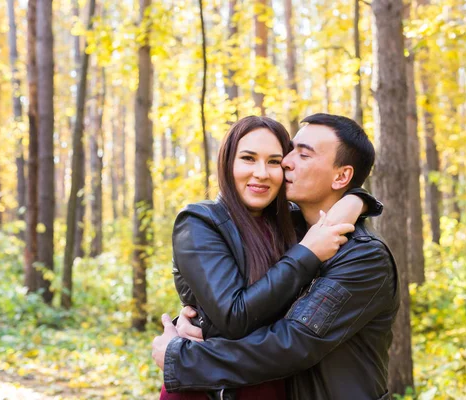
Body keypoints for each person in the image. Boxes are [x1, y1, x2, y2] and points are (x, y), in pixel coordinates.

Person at [153, 114, 400, 400]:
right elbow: (243, 294)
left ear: (342, 176)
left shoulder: (365, 257)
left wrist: (181, 358)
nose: (286, 162)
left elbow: (291, 343)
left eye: (302, 155)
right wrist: (201, 323)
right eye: (289, 151)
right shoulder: (290, 230)